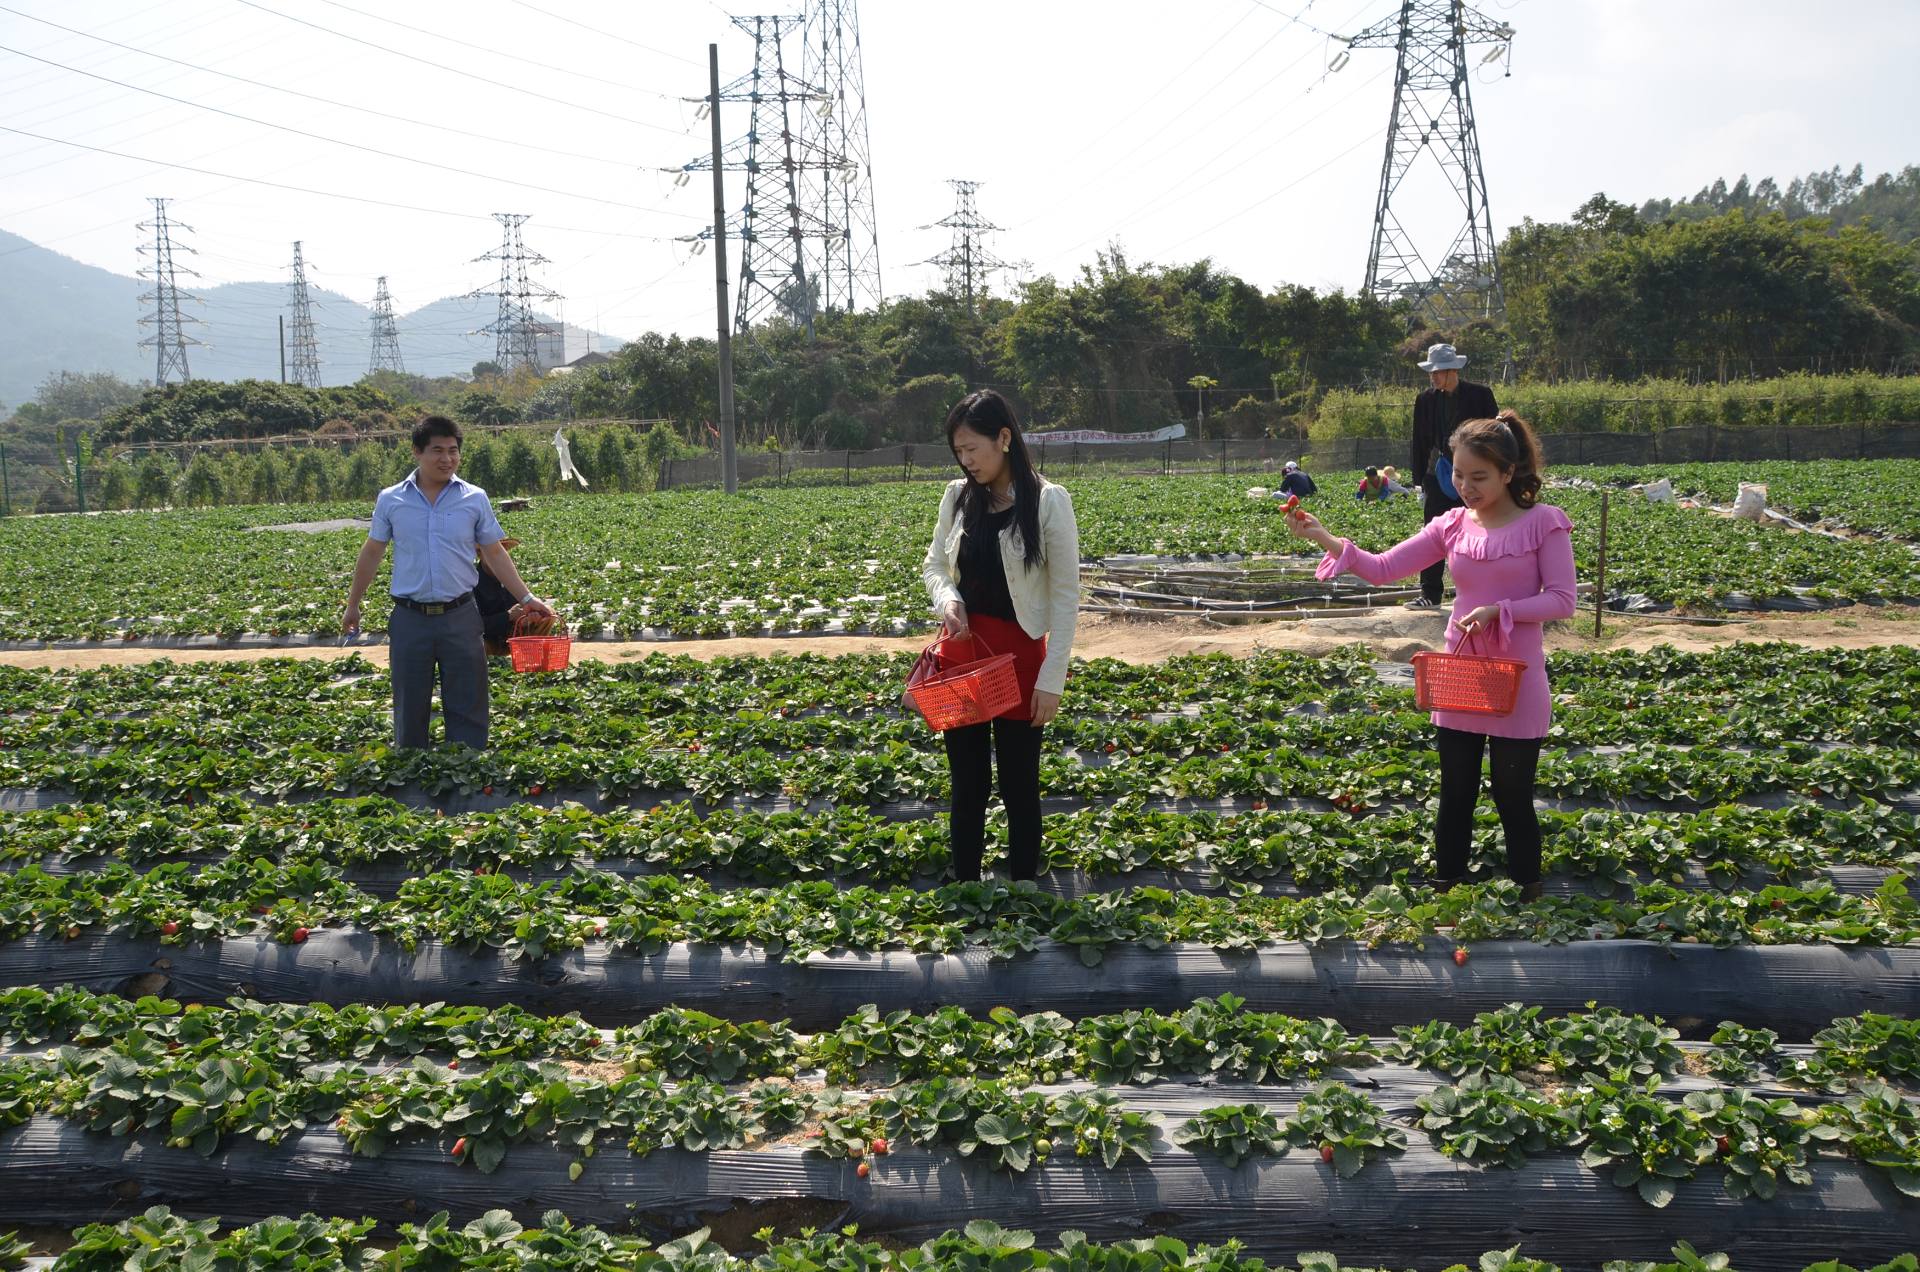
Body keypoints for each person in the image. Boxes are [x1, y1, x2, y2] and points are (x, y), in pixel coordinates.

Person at [1286, 410, 1575, 901]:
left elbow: (1563, 600)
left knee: (1512, 795)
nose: (1466, 486)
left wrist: (1497, 610)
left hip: (1519, 675)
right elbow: (1382, 569)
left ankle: (1530, 892)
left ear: (1509, 472)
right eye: (1458, 475)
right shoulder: (1451, 525)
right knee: (1455, 791)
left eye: (1479, 477)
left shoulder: (1543, 523)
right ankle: (1448, 889)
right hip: (1461, 671)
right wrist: (1323, 536)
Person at [921, 390, 1080, 883]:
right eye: (959, 452)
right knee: (966, 784)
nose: (967, 461)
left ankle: (1024, 888)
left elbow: (1065, 597)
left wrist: (1052, 679)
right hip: (964, 655)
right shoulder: (957, 497)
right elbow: (934, 566)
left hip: (1020, 658)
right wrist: (948, 600)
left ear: (1004, 438)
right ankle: (967, 885)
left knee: (1018, 784)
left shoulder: (1048, 502)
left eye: (974, 449)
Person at [345, 415, 555, 750]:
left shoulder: (474, 498)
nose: (447, 459)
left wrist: (526, 597)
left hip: (461, 614)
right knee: (409, 699)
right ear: (417, 452)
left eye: (453, 451)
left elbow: (495, 553)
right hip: (410, 616)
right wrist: (353, 604)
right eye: (437, 451)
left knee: (468, 698)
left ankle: (467, 769)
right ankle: (412, 771)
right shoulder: (391, 499)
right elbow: (372, 552)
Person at [1408, 343, 1498, 608]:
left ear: (1453, 371)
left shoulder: (1480, 396)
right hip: (1437, 475)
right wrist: (1418, 480)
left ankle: (1479, 592)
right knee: (1433, 533)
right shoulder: (1425, 400)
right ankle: (1430, 593)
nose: (1433, 377)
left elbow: (1496, 435)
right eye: (1431, 372)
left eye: (1438, 372)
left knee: (1478, 531)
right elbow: (1418, 440)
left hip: (1473, 477)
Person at [474, 538, 555, 658]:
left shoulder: (511, 577)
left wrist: (527, 617)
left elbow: (523, 605)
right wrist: (508, 616)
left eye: (501, 552)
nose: (496, 558)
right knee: (475, 645)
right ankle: (489, 661)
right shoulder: (472, 582)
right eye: (490, 553)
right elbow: (472, 625)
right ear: (480, 554)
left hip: (512, 636)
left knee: (548, 614)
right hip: (489, 641)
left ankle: (529, 655)